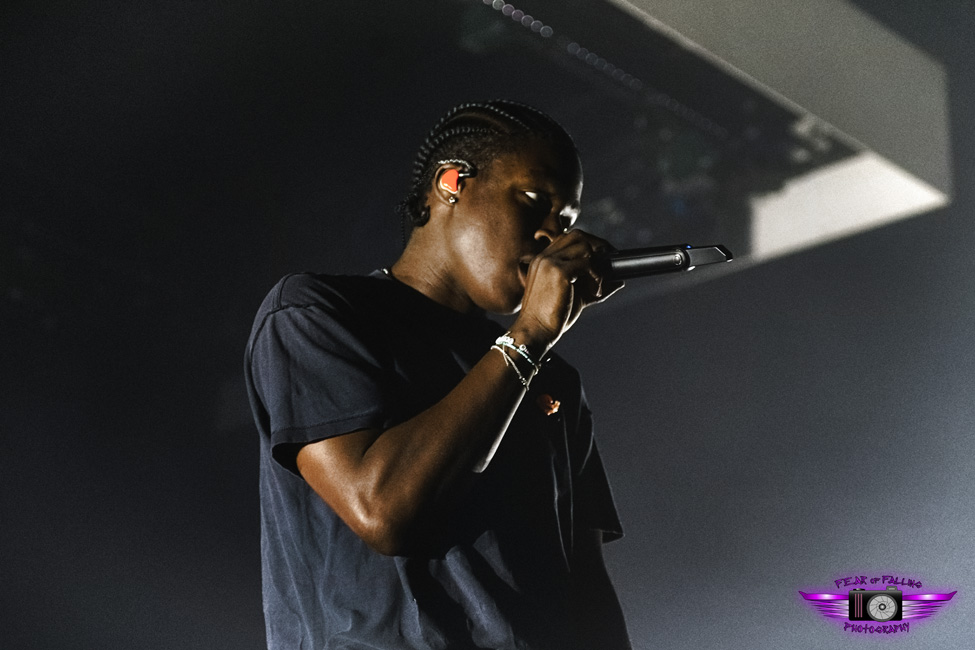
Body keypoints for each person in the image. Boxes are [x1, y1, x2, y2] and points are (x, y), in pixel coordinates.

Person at [245, 100, 632, 649]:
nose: (552, 236)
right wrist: (525, 341)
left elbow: (587, 587)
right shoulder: (316, 313)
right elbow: (382, 511)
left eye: (566, 220)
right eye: (533, 200)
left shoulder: (555, 381)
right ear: (451, 182)